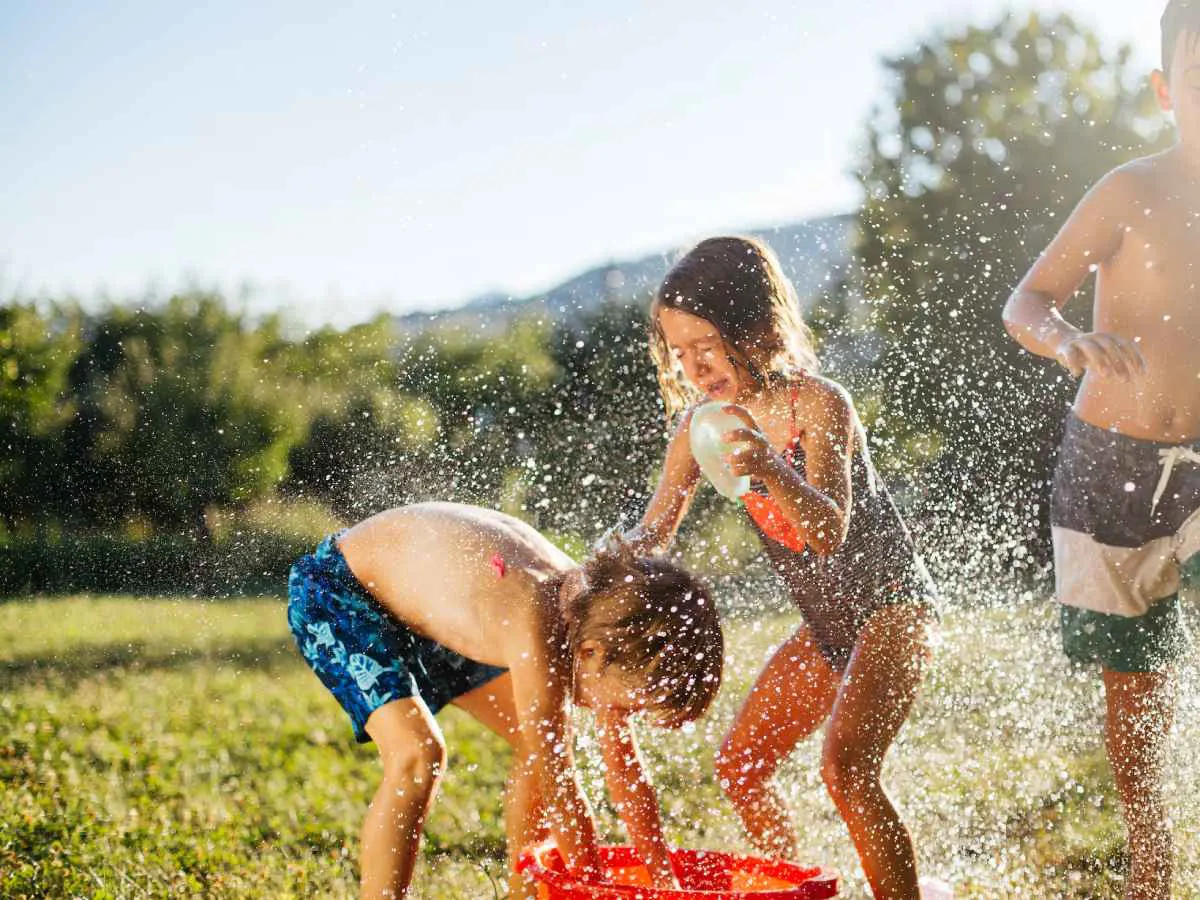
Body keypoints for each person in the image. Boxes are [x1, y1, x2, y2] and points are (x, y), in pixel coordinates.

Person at [626, 235, 939, 899]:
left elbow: (828, 530)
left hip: (894, 605)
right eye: (679, 353)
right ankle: (797, 891)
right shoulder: (700, 427)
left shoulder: (819, 403)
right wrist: (611, 557)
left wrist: (771, 467)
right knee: (741, 766)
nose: (694, 366)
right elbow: (655, 530)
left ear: (755, 328)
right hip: (829, 628)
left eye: (707, 345)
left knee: (847, 773)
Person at [1002, 4, 1200, 896]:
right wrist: (1067, 343)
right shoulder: (1130, 192)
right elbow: (1027, 300)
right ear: (1166, 91)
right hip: (1106, 468)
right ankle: (1153, 864)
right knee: (1137, 683)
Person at [286, 501, 723, 899]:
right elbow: (560, 785)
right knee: (419, 755)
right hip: (343, 591)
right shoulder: (536, 622)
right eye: (624, 707)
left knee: (534, 743)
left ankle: (523, 891)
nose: (618, 717)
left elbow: (626, 772)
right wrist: (593, 890)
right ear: (593, 653)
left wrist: (664, 881)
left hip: (423, 608)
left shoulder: (597, 616)